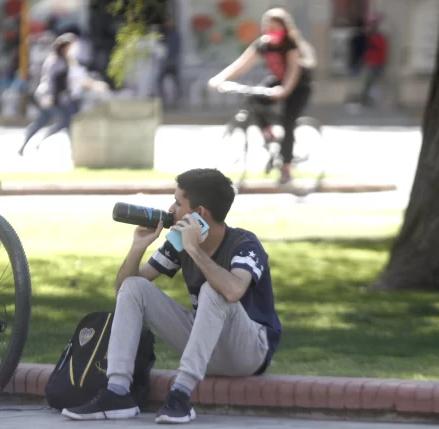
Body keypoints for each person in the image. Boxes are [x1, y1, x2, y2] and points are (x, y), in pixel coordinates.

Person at [62, 168, 282, 424]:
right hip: (205, 348)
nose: (171, 209)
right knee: (134, 286)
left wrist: (194, 250)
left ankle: (179, 395)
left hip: (248, 352)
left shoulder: (244, 244)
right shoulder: (178, 243)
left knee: (215, 288)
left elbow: (233, 290)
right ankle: (117, 392)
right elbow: (123, 291)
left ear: (199, 213)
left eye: (178, 203)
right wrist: (138, 247)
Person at [207, 8, 316, 186]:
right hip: (279, 80)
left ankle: (286, 168)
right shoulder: (263, 44)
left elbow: (293, 72)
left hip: (298, 86)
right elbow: (242, 64)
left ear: (284, 27)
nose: (271, 30)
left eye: (275, 26)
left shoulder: (290, 44)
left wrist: (284, 91)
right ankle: (270, 132)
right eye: (268, 26)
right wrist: (220, 79)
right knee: (252, 98)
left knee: (288, 123)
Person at [18, 33, 80, 156]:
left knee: (46, 121)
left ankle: (29, 144)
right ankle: (36, 141)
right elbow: (50, 80)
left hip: (58, 97)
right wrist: (51, 96)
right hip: (50, 97)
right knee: (63, 122)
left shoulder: (65, 60)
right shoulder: (55, 61)